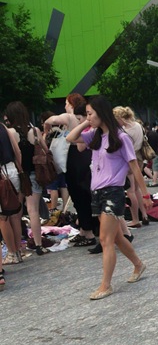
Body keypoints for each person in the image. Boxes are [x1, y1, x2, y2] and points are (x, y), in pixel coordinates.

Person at [67, 95, 151, 300]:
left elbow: (134, 167)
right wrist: (87, 122)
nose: (87, 117)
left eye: (90, 113)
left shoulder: (120, 138)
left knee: (105, 239)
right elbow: (71, 138)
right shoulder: (95, 136)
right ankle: (138, 264)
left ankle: (106, 285)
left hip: (113, 192)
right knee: (116, 237)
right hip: (97, 192)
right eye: (86, 114)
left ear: (101, 113)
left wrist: (145, 194)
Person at [43, 93, 98, 246]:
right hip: (84, 157)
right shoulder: (83, 118)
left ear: (72, 104)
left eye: (66, 103)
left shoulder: (70, 117)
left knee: (79, 195)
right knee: (83, 195)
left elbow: (51, 120)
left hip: (75, 158)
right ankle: (84, 230)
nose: (65, 106)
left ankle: (88, 232)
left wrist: (46, 130)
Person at [4, 101, 49, 256]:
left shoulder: (10, 132)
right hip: (35, 174)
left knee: (16, 212)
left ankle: (18, 247)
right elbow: (46, 149)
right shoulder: (35, 131)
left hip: (18, 175)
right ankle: (39, 244)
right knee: (33, 210)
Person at [113, 106, 150, 227]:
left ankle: (135, 219)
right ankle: (144, 215)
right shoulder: (138, 125)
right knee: (137, 189)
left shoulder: (125, 131)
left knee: (131, 191)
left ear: (119, 118)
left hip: (129, 160)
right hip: (139, 158)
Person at [0, 120, 23, 265]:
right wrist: (19, 169)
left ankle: (11, 253)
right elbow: (17, 151)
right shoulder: (3, 126)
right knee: (14, 214)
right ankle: (18, 251)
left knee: (3, 218)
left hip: (1, 175)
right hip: (12, 170)